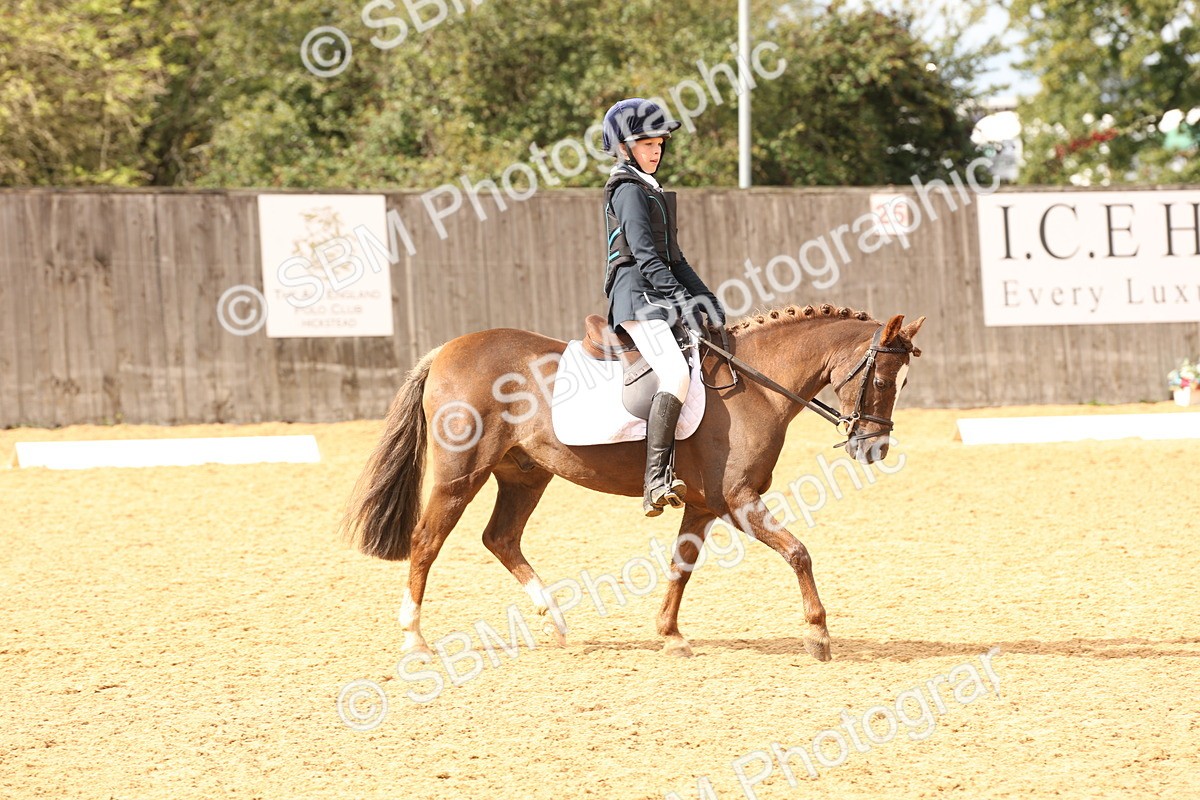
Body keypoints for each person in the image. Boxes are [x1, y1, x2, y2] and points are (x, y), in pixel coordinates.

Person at [600, 97, 726, 517]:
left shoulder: (650, 190)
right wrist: (681, 302)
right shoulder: (628, 190)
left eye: (659, 143)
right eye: (646, 143)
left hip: (655, 292)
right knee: (674, 372)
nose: (655, 150)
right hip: (636, 296)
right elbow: (647, 259)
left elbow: (675, 259)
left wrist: (705, 298)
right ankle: (655, 481)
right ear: (624, 146)